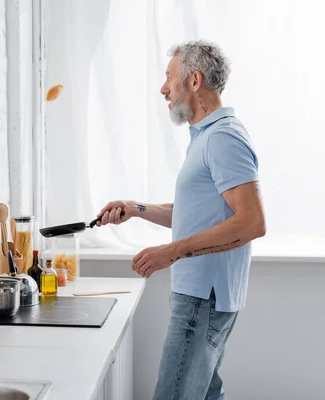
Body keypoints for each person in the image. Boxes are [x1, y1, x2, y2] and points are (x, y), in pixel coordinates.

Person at [95, 40, 266, 400]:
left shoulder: (223, 138)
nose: (163, 89)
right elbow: (198, 213)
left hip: (202, 299)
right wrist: (136, 208)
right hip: (201, 296)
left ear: (194, 81)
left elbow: (251, 222)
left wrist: (170, 252)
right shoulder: (205, 137)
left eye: (169, 78)